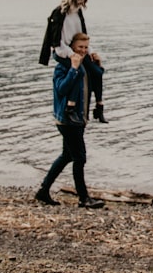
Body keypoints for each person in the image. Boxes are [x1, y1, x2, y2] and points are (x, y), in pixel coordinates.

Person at [35, 32, 106, 208]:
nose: (83, 51)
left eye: (85, 47)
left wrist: (98, 64)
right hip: (67, 120)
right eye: (79, 47)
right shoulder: (63, 66)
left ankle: (43, 191)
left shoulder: (85, 65)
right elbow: (61, 89)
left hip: (79, 119)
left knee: (67, 155)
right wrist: (73, 68)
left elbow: (97, 78)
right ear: (71, 48)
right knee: (80, 158)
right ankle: (83, 198)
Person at [49, 0, 108, 123]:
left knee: (97, 71)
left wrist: (90, 52)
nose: (83, 2)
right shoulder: (59, 13)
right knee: (79, 72)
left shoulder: (78, 12)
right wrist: (71, 55)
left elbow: (83, 36)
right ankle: (70, 107)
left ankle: (99, 108)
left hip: (79, 49)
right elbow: (57, 42)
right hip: (62, 51)